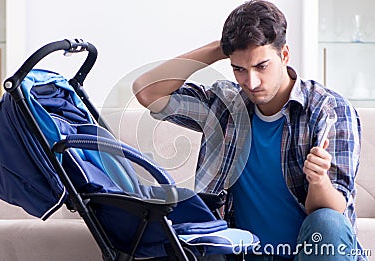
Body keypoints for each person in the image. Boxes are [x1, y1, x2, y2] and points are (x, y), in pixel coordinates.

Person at [132, 0, 366, 260]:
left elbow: (334, 213)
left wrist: (319, 180)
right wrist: (217, 50)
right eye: (239, 69)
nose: (251, 82)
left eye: (261, 66)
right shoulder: (224, 105)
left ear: (284, 54)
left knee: (328, 222)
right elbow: (147, 91)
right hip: (244, 255)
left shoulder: (328, 109)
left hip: (311, 252)